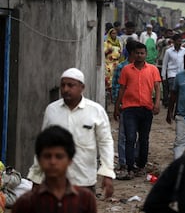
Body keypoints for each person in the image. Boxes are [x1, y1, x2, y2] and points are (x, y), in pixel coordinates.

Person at [27, 68, 115, 197]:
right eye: (63, 85)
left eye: (71, 85)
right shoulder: (52, 110)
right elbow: (42, 146)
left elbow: (105, 142)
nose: (66, 89)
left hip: (84, 180)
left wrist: (107, 173)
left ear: (82, 87)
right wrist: (36, 177)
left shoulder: (95, 111)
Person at [14, 126, 97, 213]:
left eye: (59, 156)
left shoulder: (85, 199)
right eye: (47, 156)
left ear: (70, 160)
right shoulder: (25, 203)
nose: (53, 162)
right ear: (39, 160)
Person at [114, 42, 161, 179]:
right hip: (129, 109)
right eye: (137, 53)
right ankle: (130, 167)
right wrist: (117, 107)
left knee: (144, 139)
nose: (140, 55)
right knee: (130, 138)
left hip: (146, 108)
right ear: (132, 54)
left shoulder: (152, 69)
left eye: (142, 53)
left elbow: (157, 87)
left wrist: (157, 103)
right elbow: (122, 89)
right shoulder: (126, 70)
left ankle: (141, 165)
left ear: (146, 54)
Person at [111, 40, 138, 178]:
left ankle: (133, 162)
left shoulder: (143, 68)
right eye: (137, 52)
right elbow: (116, 87)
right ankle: (123, 162)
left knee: (135, 136)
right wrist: (118, 104)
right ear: (132, 52)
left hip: (139, 106)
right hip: (125, 106)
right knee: (123, 135)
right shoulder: (122, 67)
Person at [161, 34, 185, 108]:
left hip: (182, 74)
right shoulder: (168, 51)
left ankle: (179, 107)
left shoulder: (184, 51)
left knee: (181, 92)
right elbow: (165, 64)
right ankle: (171, 106)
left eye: (180, 41)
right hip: (172, 74)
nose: (179, 43)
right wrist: (163, 76)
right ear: (174, 42)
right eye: (178, 41)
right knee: (173, 92)